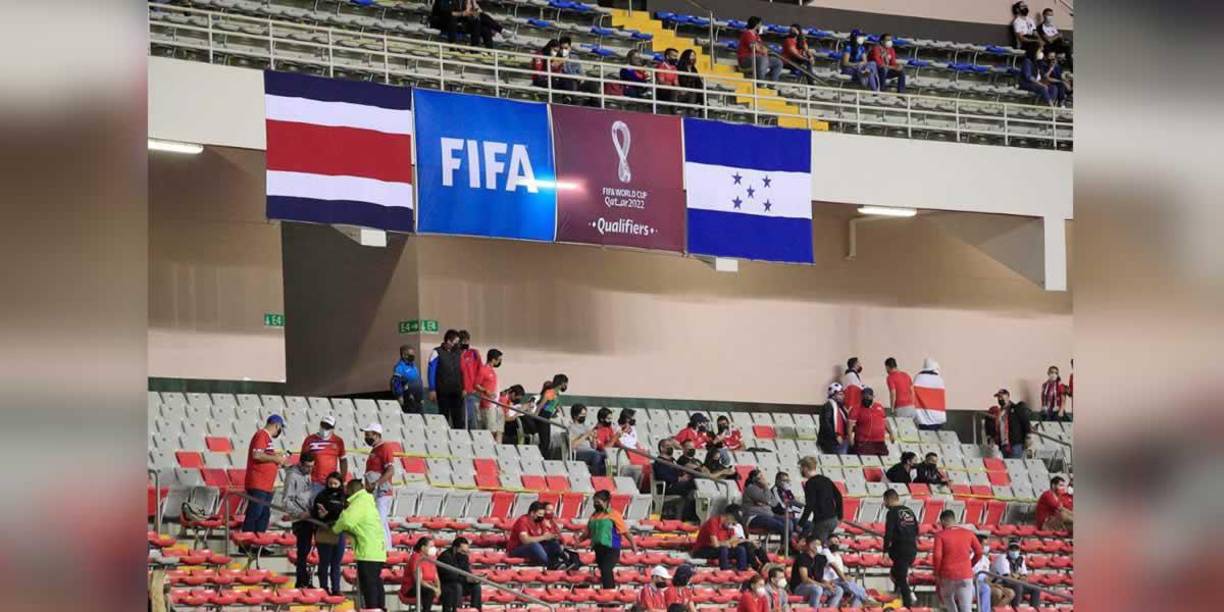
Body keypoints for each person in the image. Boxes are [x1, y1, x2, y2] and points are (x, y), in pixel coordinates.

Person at [333, 478, 387, 611]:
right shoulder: (367, 501)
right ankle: (380, 608)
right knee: (376, 582)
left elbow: (347, 520)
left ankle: (372, 608)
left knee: (369, 585)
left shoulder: (359, 502)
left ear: (351, 490)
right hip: (377, 550)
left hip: (367, 550)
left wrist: (335, 528)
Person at [581, 489, 640, 589]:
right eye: (594, 502)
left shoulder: (614, 515)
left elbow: (625, 531)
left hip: (611, 549)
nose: (595, 504)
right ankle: (606, 596)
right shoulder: (594, 516)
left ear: (606, 502)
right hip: (598, 549)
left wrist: (633, 545)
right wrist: (578, 541)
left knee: (606, 569)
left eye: (598, 502)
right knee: (604, 572)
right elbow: (588, 533)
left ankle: (610, 596)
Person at [241, 414, 287, 534]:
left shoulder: (266, 438)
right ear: (277, 425)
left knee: (263, 516)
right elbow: (257, 455)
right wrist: (275, 459)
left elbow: (264, 456)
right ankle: (246, 542)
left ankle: (258, 542)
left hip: (266, 484)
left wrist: (276, 459)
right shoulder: (262, 435)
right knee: (255, 513)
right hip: (258, 483)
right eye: (280, 428)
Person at [932, 509, 983, 612]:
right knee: (966, 606)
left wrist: (937, 573)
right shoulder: (968, 533)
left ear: (943, 521)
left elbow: (937, 556)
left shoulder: (940, 535)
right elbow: (979, 552)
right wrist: (970, 564)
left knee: (947, 598)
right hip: (965, 573)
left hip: (947, 574)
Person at [282, 452, 320, 588]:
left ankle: (306, 580)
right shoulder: (292, 476)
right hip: (301, 518)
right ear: (301, 463)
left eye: (312, 467)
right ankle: (301, 581)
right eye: (307, 467)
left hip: (310, 516)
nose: (310, 469)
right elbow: (286, 501)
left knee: (308, 550)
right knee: (303, 550)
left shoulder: (308, 475)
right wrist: (299, 513)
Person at [311, 472, 347, 596]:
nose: (332, 486)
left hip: (339, 532)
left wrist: (329, 513)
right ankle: (324, 587)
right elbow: (315, 513)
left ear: (340, 484)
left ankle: (336, 588)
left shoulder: (344, 497)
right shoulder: (321, 496)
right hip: (324, 530)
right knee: (324, 561)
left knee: (336, 562)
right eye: (330, 483)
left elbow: (344, 513)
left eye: (335, 483)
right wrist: (322, 515)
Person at [362, 422, 396, 549]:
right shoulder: (375, 449)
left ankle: (381, 548)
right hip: (376, 493)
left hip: (382, 492)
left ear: (376, 435)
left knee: (379, 522)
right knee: (383, 522)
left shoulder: (384, 448)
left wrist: (376, 484)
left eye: (368, 434)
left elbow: (391, 470)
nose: (366, 437)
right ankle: (387, 548)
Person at [882, 489, 919, 608]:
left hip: (900, 549)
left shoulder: (892, 512)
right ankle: (899, 592)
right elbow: (917, 530)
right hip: (912, 548)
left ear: (888, 499)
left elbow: (888, 532)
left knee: (901, 578)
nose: (885, 504)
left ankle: (908, 604)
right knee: (896, 573)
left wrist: (885, 551)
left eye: (885, 501)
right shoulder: (909, 511)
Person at [507, 501, 568, 568]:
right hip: (517, 549)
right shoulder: (523, 521)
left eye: (542, 514)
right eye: (539, 514)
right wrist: (543, 537)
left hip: (536, 548)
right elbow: (525, 540)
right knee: (534, 545)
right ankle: (551, 564)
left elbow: (545, 534)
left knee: (553, 544)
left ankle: (564, 561)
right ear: (532, 513)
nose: (541, 516)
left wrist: (552, 536)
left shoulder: (539, 521)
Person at [797, 456, 842, 544]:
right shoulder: (826, 480)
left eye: (801, 468)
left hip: (822, 520)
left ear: (805, 468)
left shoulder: (810, 484)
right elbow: (838, 496)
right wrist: (840, 515)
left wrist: (801, 523)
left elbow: (810, 505)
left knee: (816, 546)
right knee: (826, 543)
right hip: (833, 518)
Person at [429, 329, 465, 429]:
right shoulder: (436, 352)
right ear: (448, 341)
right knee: (444, 417)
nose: (458, 344)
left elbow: (462, 371)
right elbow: (431, 371)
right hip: (443, 391)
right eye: (456, 342)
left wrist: (464, 387)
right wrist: (432, 389)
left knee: (458, 418)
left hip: (456, 391)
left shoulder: (458, 353)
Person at [819, 536, 868, 607]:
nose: (834, 543)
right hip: (827, 582)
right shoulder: (825, 551)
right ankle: (866, 599)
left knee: (859, 593)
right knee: (859, 591)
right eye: (832, 542)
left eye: (836, 542)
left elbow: (840, 572)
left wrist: (846, 577)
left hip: (838, 582)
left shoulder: (838, 556)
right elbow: (835, 567)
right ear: (826, 543)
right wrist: (845, 579)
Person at [789, 534, 836, 608]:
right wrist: (824, 585)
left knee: (838, 590)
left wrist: (827, 583)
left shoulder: (820, 558)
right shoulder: (802, 557)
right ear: (810, 545)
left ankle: (829, 610)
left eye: (820, 544)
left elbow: (819, 578)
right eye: (818, 544)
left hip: (816, 585)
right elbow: (805, 579)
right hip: (800, 587)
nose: (820, 546)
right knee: (817, 589)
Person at [438, 537, 481, 612]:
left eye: (466, 551)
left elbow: (467, 571)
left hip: (460, 583)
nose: (464, 554)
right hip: (446, 585)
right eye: (462, 551)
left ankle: (476, 610)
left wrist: (473, 579)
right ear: (455, 548)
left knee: (476, 587)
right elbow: (450, 576)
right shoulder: (445, 557)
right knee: (457, 587)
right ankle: (457, 610)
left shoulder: (464, 557)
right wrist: (466, 579)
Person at [301, 415, 347, 485]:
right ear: (320, 424)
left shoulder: (338, 441)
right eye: (323, 425)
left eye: (328, 427)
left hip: (331, 482)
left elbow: (343, 460)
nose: (325, 428)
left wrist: (343, 479)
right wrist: (304, 476)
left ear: (333, 428)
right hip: (314, 481)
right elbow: (302, 459)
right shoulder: (310, 439)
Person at [848, 386, 893, 455]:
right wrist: (850, 438)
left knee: (882, 461)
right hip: (863, 442)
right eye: (864, 396)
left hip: (880, 441)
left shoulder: (879, 406)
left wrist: (891, 433)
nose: (866, 398)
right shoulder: (856, 408)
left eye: (868, 396)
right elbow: (850, 425)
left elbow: (885, 421)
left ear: (872, 397)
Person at [994, 539, 1040, 607]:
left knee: (1036, 588)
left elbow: (1025, 577)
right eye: (1012, 548)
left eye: (1016, 548)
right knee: (1018, 586)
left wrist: (1016, 576)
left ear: (1019, 550)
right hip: (1000, 583)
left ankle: (1035, 609)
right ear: (1008, 549)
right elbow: (1006, 578)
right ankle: (1016, 609)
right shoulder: (1003, 558)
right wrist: (1018, 577)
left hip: (1016, 583)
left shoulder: (1020, 559)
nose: (1014, 550)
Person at [532, 374, 568, 459]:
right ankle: (541, 458)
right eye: (565, 383)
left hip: (547, 416)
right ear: (562, 383)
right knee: (545, 441)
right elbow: (542, 404)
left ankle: (543, 458)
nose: (566, 386)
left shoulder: (556, 394)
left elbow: (558, 405)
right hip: (543, 415)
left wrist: (563, 414)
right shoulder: (550, 392)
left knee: (546, 441)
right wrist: (536, 413)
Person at [741, 469, 789, 534]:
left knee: (789, 523)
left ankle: (789, 543)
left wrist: (766, 500)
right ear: (755, 479)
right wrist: (766, 487)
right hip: (754, 517)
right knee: (782, 526)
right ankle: (785, 544)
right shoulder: (751, 488)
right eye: (760, 476)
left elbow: (774, 503)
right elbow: (766, 499)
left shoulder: (764, 489)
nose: (763, 478)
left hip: (768, 515)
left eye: (762, 476)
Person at [402, 537, 441, 612]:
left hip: (428, 586)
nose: (433, 548)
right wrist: (434, 588)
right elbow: (418, 580)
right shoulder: (416, 558)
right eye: (431, 546)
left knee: (449, 590)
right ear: (423, 547)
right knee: (429, 591)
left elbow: (436, 577)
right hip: (412, 588)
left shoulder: (431, 558)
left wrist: (439, 588)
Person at [738, 17, 782, 81]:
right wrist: (762, 50)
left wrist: (763, 50)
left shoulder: (756, 35)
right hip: (746, 59)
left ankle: (773, 84)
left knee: (778, 62)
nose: (761, 26)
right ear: (757, 25)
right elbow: (755, 48)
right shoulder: (747, 34)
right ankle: (760, 83)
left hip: (758, 58)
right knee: (762, 59)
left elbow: (763, 47)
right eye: (760, 24)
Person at [568, 403, 606, 476]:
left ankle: (605, 478)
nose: (584, 416)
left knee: (606, 455)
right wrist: (585, 435)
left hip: (591, 451)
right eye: (582, 414)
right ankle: (596, 477)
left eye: (585, 414)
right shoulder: (571, 428)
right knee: (596, 455)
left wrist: (594, 438)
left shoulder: (586, 427)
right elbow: (572, 446)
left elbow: (594, 447)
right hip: (578, 453)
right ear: (575, 415)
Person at [912, 357, 947, 431]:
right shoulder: (939, 379)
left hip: (922, 417)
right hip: (938, 417)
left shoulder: (918, 378)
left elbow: (913, 395)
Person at [457, 330, 482, 431]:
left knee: (472, 418)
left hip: (472, 392)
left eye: (467, 341)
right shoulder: (456, 355)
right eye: (463, 341)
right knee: (462, 418)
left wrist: (477, 386)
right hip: (459, 391)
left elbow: (480, 370)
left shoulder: (474, 353)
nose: (466, 343)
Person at [474, 348, 502, 434]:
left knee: (494, 430)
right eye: (499, 360)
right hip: (487, 404)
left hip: (494, 404)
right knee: (490, 431)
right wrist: (486, 391)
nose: (500, 362)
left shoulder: (492, 370)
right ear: (493, 359)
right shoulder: (483, 369)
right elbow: (476, 385)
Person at [391, 345, 424, 413]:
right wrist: (400, 396)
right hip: (408, 399)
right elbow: (396, 382)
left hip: (418, 400)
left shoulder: (414, 366)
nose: (413, 356)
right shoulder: (400, 367)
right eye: (411, 354)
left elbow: (419, 382)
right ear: (403, 355)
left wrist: (421, 398)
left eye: (413, 354)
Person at [816, 382, 847, 454]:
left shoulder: (841, 407)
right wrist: (836, 436)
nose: (843, 396)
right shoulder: (828, 406)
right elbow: (826, 424)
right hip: (830, 442)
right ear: (833, 395)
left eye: (843, 394)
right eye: (840, 394)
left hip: (839, 441)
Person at [841, 358, 865, 424]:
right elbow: (858, 389)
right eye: (859, 363)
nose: (860, 365)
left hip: (850, 404)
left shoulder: (850, 375)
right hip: (852, 404)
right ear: (855, 364)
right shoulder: (851, 375)